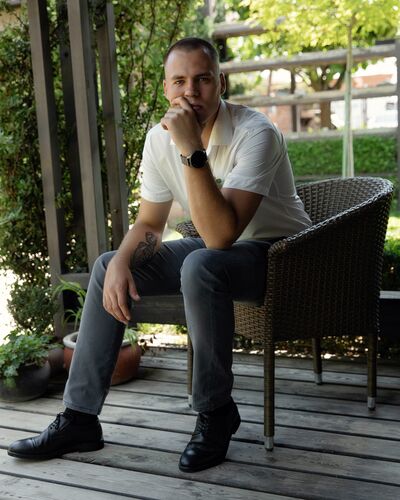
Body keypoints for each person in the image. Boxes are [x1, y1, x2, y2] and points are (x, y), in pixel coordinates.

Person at [7, 37, 311, 472]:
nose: (191, 92)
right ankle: (79, 419)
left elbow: (221, 235)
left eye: (203, 80)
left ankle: (215, 412)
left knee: (202, 262)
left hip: (281, 256)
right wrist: (121, 262)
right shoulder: (157, 139)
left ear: (221, 83)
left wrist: (190, 149)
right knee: (108, 264)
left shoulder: (255, 132)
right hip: (217, 253)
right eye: (180, 81)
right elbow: (150, 223)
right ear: (166, 87)